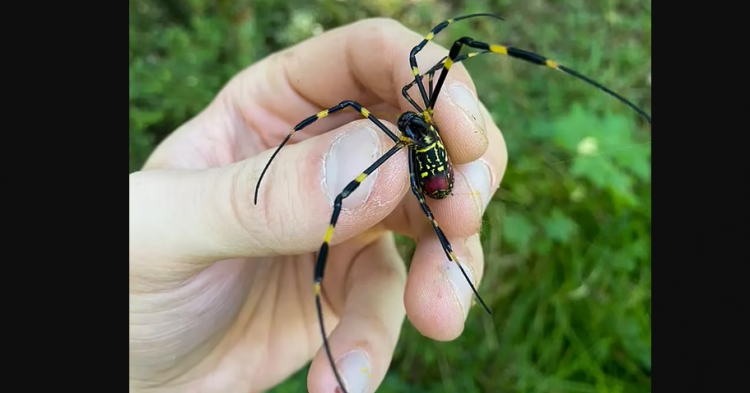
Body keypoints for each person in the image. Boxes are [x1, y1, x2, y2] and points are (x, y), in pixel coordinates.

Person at [129, 17, 507, 393]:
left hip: (437, 181)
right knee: (348, 194)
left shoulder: (419, 118)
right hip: (432, 179)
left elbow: (426, 55)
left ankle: (456, 267)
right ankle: (432, 267)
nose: (406, 114)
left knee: (437, 63)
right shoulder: (403, 133)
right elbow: (341, 192)